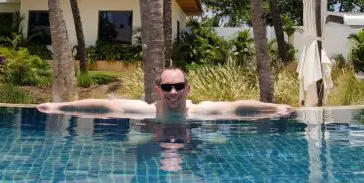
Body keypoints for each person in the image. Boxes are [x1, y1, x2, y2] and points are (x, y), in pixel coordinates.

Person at [37, 67, 295, 121]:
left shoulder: (199, 110)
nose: (174, 92)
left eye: (179, 87)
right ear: (157, 90)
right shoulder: (147, 110)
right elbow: (104, 106)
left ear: (187, 89)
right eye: (168, 87)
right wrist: (60, 107)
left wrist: (275, 108)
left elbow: (236, 108)